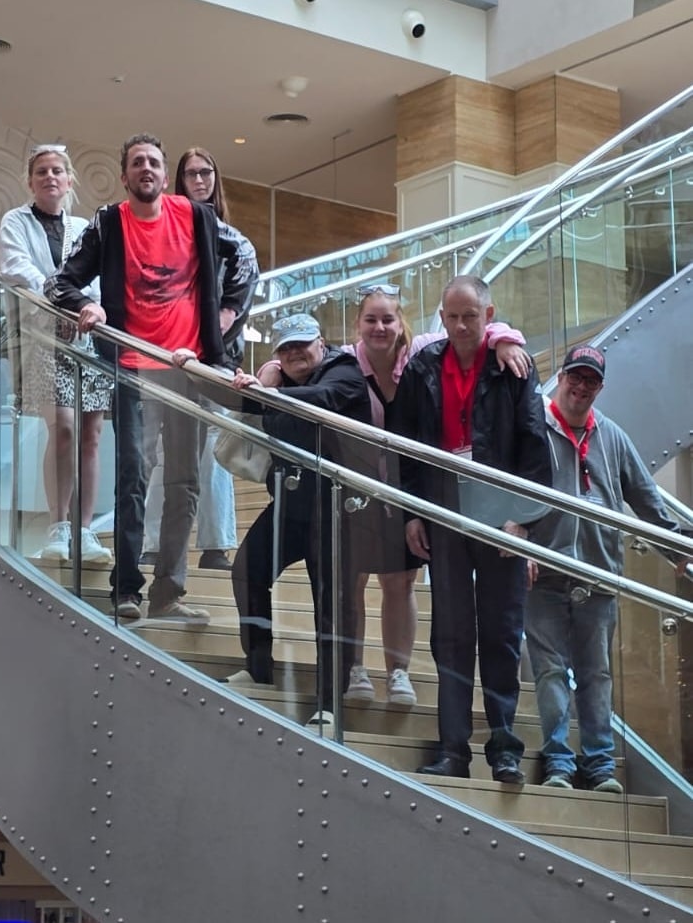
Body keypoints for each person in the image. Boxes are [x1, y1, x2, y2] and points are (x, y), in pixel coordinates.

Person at [44, 132, 258, 621]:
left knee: (184, 483)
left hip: (188, 370)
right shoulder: (109, 223)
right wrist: (88, 304)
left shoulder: (196, 216)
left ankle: (169, 593)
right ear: (125, 177)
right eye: (137, 162)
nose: (146, 169)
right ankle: (127, 589)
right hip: (134, 371)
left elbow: (246, 259)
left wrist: (225, 317)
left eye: (154, 163)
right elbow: (59, 283)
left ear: (165, 176)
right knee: (133, 478)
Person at [389, 274, 551, 782]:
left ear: (489, 315)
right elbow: (403, 445)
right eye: (452, 317)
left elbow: (534, 444)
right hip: (444, 505)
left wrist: (525, 520)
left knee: (501, 631)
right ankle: (453, 749)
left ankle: (504, 749)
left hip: (499, 510)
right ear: (441, 317)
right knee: (451, 632)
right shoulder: (422, 367)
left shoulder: (512, 366)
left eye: (471, 317)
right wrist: (412, 512)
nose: (460, 326)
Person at [341, 283, 530, 708]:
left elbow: (473, 329)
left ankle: (399, 672)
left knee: (400, 580)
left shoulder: (423, 351)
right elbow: (305, 360)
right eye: (371, 320)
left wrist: (504, 339)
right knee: (352, 580)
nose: (379, 327)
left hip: (411, 490)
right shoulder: (346, 362)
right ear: (358, 325)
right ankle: (354, 667)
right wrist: (271, 368)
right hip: (361, 488)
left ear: (401, 323)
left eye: (388, 319)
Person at [525, 344, 685, 794]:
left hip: (598, 576)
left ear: (600, 388)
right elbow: (510, 488)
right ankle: (558, 762)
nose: (581, 387)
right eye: (575, 377)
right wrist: (517, 541)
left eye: (590, 381)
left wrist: (677, 550)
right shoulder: (534, 428)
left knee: (595, 674)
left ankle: (598, 765)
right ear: (560, 378)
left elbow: (646, 498)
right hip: (543, 572)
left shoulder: (611, 436)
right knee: (551, 670)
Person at [220, 313, 372, 727]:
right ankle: (258, 668)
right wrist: (187, 361)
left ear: (321, 343)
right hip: (290, 506)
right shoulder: (279, 383)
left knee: (330, 603)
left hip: (337, 509)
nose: (294, 354)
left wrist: (269, 390)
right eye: (285, 348)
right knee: (248, 569)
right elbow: (235, 398)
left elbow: (322, 399)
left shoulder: (343, 371)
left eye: (301, 344)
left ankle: (329, 703)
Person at [0, 143, 113, 563]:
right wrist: (63, 304)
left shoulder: (84, 227)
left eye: (57, 171)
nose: (50, 177)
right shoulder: (15, 221)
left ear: (69, 181)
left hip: (87, 338)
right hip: (43, 336)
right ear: (30, 181)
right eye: (42, 171)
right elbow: (18, 269)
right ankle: (58, 525)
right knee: (62, 428)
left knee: (91, 435)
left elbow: (97, 277)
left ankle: (85, 530)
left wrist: (86, 308)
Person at [142, 147, 254, 571]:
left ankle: (216, 545)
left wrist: (207, 341)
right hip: (165, 358)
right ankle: (153, 544)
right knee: (161, 450)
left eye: (206, 172)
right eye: (191, 174)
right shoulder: (166, 236)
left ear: (215, 177)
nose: (200, 180)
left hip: (215, 361)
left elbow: (237, 302)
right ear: (180, 181)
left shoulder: (234, 242)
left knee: (214, 448)